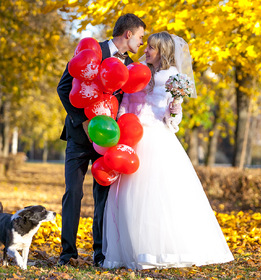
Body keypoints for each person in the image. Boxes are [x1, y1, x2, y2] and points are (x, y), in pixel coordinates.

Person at [102, 31, 234, 270]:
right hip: (133, 136)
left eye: (151, 48)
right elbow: (127, 103)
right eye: (147, 46)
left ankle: (158, 251)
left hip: (157, 137)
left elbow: (172, 119)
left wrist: (175, 106)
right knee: (130, 197)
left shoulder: (172, 76)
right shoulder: (137, 70)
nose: (146, 50)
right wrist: (121, 126)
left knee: (159, 195)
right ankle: (133, 250)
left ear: (162, 51)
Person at [57, 13, 146, 267]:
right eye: (140, 37)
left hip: (107, 141)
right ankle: (68, 254)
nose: (141, 42)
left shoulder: (130, 67)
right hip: (78, 135)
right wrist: (83, 123)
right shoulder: (90, 51)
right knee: (73, 193)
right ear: (128, 34)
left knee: (103, 198)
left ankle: (100, 253)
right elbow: (63, 88)